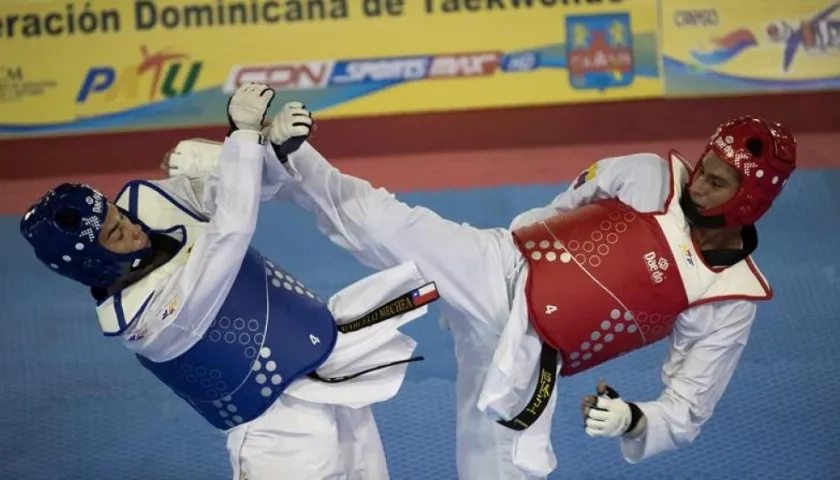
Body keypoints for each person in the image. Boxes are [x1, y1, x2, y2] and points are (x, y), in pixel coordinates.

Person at [200, 109, 791, 480]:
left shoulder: (730, 297)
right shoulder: (648, 173)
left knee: (503, 470)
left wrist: (635, 419)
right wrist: (508, 258)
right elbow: (561, 209)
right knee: (389, 225)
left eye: (719, 179)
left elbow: (687, 410)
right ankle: (279, 158)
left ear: (751, 200)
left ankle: (273, 166)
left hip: (534, 356)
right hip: (503, 267)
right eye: (705, 163)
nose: (700, 179)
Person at [18, 83, 440, 480]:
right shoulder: (148, 322)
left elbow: (236, 188)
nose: (131, 227)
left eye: (117, 214)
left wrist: (271, 151)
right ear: (94, 263)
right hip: (276, 429)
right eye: (115, 234)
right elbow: (229, 234)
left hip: (327, 362)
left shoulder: (145, 202)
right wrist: (241, 137)